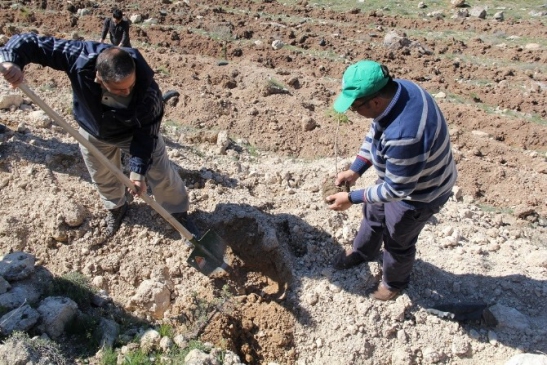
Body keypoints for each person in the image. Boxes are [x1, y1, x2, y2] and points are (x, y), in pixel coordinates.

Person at [0, 33, 198, 238]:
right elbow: (30, 42)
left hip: (132, 133)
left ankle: (177, 213)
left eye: (131, 85)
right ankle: (116, 207)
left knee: (160, 172)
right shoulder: (80, 56)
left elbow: (146, 135)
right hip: (93, 129)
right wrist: (10, 60)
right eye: (120, 90)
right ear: (98, 78)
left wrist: (138, 173)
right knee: (101, 173)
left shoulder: (149, 93)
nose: (128, 91)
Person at [327, 60, 457, 301]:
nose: (354, 112)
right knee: (373, 211)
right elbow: (376, 129)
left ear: (374, 101)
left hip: (419, 194)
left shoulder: (404, 134)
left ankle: (393, 283)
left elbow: (397, 190)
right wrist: (357, 169)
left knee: (398, 239)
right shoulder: (400, 90)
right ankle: (363, 251)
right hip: (399, 178)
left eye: (355, 107)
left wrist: (351, 198)